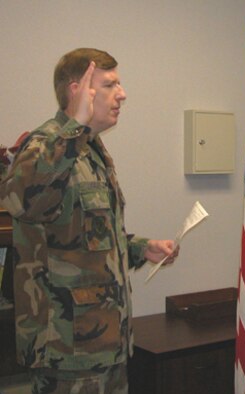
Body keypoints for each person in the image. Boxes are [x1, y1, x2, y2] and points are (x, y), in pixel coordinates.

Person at [0, 48, 179, 394]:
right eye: (110, 84)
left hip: (106, 346)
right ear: (77, 90)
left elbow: (91, 240)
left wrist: (144, 249)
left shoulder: (92, 151)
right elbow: (20, 201)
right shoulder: (46, 145)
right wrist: (74, 128)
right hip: (66, 352)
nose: (122, 94)